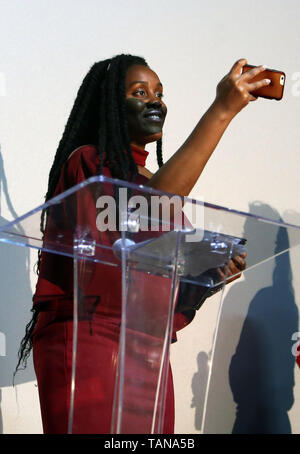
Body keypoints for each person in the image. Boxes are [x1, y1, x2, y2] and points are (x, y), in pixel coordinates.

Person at [16, 54, 268, 434]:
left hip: (146, 349)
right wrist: (222, 110)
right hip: (90, 339)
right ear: (112, 108)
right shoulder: (87, 163)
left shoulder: (158, 182)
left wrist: (208, 277)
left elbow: (158, 284)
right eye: (139, 92)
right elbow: (147, 209)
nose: (155, 101)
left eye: (160, 93)